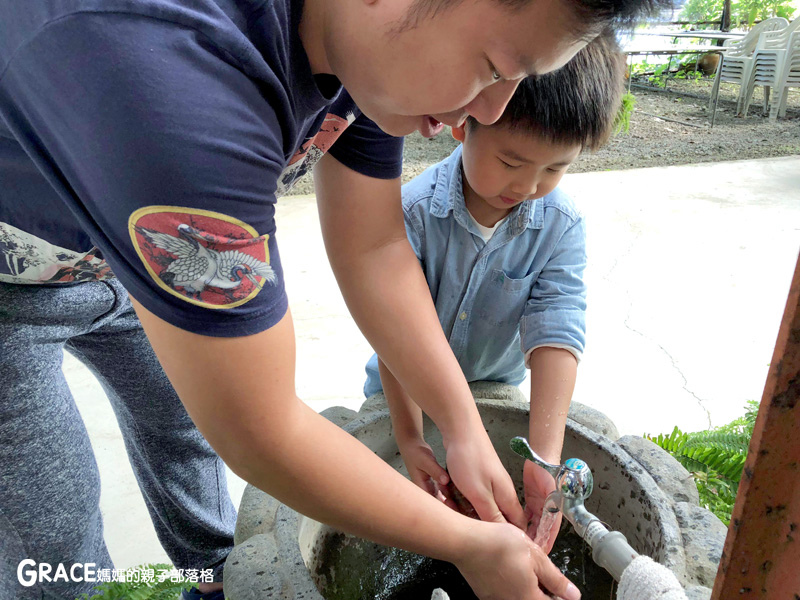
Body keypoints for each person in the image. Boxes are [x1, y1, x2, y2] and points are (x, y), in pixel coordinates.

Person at [0, 1, 665, 599]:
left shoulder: (369, 53)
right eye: (493, 67)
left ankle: (211, 582)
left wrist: (462, 428)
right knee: (50, 518)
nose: (489, 112)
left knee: (180, 435)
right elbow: (261, 426)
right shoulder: (171, 82)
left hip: (131, 258)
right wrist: (469, 545)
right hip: (16, 287)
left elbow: (375, 250)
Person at [363, 33, 625, 553]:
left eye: (555, 168)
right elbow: (393, 333)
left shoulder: (561, 225)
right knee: (405, 517)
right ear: (465, 121)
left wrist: (544, 458)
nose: (528, 186)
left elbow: (557, 326)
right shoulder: (412, 214)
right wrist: (410, 437)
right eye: (511, 162)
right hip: (403, 393)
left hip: (493, 387)